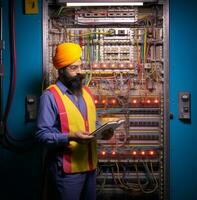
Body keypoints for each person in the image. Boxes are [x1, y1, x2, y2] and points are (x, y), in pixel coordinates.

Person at [35, 42, 113, 200]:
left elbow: (93, 124)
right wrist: (70, 137)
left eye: (80, 66)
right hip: (66, 172)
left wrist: (104, 132)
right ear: (61, 71)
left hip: (90, 167)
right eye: (74, 68)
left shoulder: (87, 93)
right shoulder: (50, 96)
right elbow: (41, 135)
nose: (80, 72)